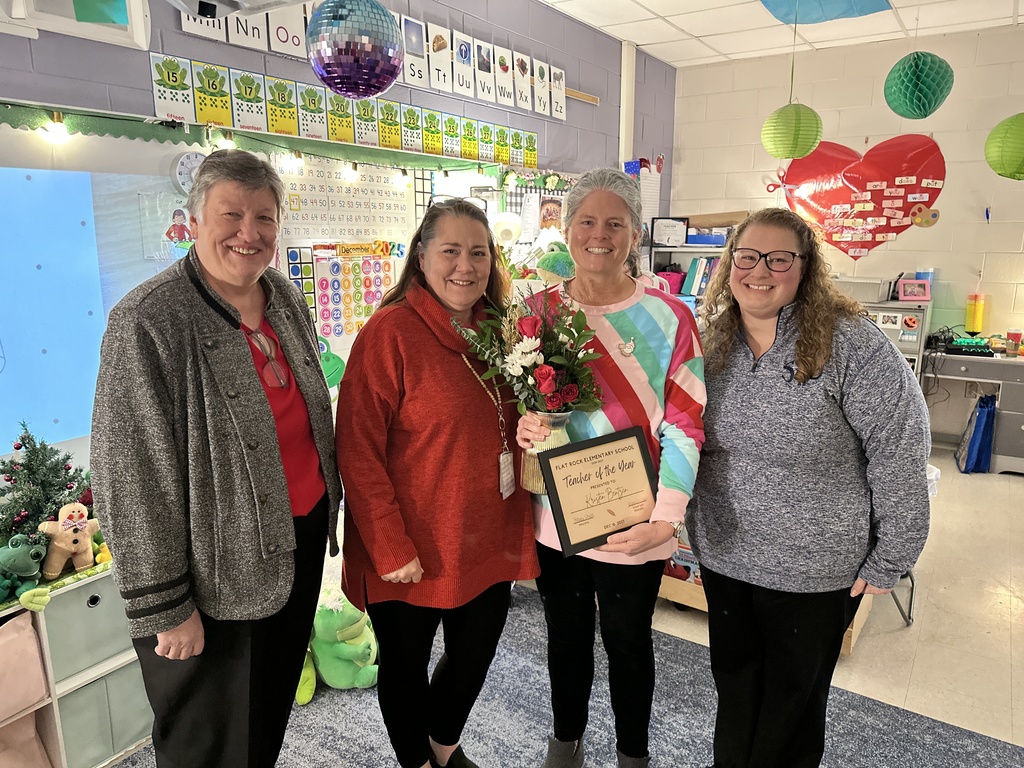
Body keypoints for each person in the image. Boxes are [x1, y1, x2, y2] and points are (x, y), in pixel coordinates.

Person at [91, 149, 342, 768]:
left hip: (294, 543)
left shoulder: (280, 294)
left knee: (264, 719)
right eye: (231, 214)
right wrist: (165, 608)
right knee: (208, 740)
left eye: (264, 217)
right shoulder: (148, 321)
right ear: (194, 220)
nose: (249, 233)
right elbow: (130, 477)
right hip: (213, 575)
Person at [686, 207, 930, 768]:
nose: (760, 271)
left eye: (779, 259)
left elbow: (899, 451)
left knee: (791, 708)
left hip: (815, 571)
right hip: (726, 557)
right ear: (728, 265)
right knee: (736, 687)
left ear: (805, 267)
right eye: (746, 257)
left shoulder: (852, 346)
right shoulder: (710, 341)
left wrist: (891, 556)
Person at [336, 199, 540, 768]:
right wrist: (389, 544)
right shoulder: (390, 332)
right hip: (409, 543)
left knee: (474, 653)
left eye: (478, 252)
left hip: (486, 531)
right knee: (405, 666)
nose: (465, 266)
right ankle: (419, 762)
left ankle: (443, 743)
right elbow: (357, 448)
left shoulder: (500, 331)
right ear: (421, 256)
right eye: (450, 251)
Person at [517, 168, 706, 768]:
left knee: (628, 644)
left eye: (615, 223)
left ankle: (633, 755)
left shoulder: (671, 317)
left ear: (634, 233)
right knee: (565, 641)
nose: (600, 235)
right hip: (556, 520)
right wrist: (525, 426)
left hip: (636, 520)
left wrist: (666, 520)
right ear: (566, 229)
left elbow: (685, 423)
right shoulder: (536, 312)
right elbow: (519, 407)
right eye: (587, 222)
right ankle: (564, 743)